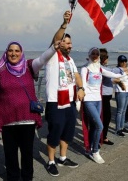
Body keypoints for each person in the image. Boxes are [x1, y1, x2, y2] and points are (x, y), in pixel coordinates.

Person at [0, 11, 71, 181]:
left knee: (27, 155)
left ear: (22, 52)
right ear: (6, 52)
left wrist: (62, 28)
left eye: (17, 51)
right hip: (8, 121)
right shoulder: (0, 71)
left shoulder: (29, 67)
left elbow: (44, 58)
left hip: (27, 121)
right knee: (10, 156)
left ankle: (27, 178)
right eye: (11, 51)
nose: (13, 53)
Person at [43, 24, 85, 176]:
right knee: (55, 131)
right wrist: (63, 24)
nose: (70, 46)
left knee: (68, 131)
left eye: (70, 43)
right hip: (56, 102)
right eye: (67, 43)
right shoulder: (52, 55)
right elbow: (55, 38)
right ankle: (51, 161)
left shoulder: (70, 60)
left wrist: (81, 88)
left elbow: (77, 76)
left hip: (70, 101)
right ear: (60, 43)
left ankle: (63, 157)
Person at [80, 47, 123, 164]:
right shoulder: (85, 69)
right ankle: (95, 151)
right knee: (100, 126)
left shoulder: (99, 68)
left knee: (94, 126)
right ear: (89, 55)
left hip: (98, 100)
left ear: (99, 56)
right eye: (93, 53)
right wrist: (79, 101)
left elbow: (110, 73)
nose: (95, 55)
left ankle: (89, 149)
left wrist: (123, 74)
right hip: (89, 101)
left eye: (96, 54)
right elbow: (82, 85)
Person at [99, 48, 114, 145]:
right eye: (107, 57)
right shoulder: (101, 68)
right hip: (103, 96)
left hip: (107, 95)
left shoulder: (105, 67)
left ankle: (103, 136)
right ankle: (101, 137)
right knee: (105, 117)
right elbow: (112, 75)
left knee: (106, 117)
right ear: (103, 58)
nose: (108, 59)